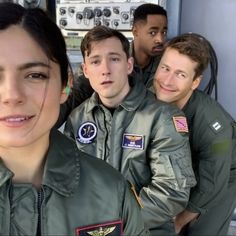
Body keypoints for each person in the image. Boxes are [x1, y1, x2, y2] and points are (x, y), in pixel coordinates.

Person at [0, 3, 149, 235]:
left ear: (66, 84)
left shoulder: (112, 193)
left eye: (35, 75)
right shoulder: (80, 116)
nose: (12, 95)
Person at [64, 25, 196, 235]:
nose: (105, 69)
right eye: (96, 61)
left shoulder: (162, 117)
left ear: (128, 64)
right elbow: (68, 181)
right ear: (86, 70)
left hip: (145, 229)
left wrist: (113, 222)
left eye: (114, 59)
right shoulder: (77, 118)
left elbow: (172, 192)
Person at [154, 33, 236, 236]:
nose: (167, 80)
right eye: (165, 68)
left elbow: (214, 180)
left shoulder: (215, 127)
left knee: (200, 230)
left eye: (181, 74)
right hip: (179, 168)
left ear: (195, 82)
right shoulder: (147, 96)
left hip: (221, 175)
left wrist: (180, 221)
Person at [55, 3, 167, 127]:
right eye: (152, 32)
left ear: (129, 65)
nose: (160, 39)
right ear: (135, 31)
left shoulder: (166, 66)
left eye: (164, 32)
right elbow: (74, 90)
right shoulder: (111, 56)